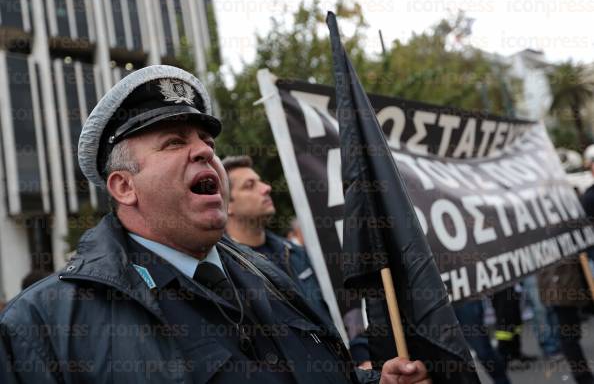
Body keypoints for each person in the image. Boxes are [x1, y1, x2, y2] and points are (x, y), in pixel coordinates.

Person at [0, 65, 431, 383]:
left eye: (206, 141)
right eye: (174, 142)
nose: (206, 152)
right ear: (124, 187)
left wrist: (375, 382)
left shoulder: (269, 273)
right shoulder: (43, 326)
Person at [222, 155, 327, 318]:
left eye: (261, 181)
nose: (266, 188)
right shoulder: (228, 272)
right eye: (250, 185)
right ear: (227, 205)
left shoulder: (295, 253)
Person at [538, 255, 594, 384]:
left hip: (578, 271)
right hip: (559, 281)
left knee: (568, 333)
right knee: (568, 333)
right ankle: (583, 378)